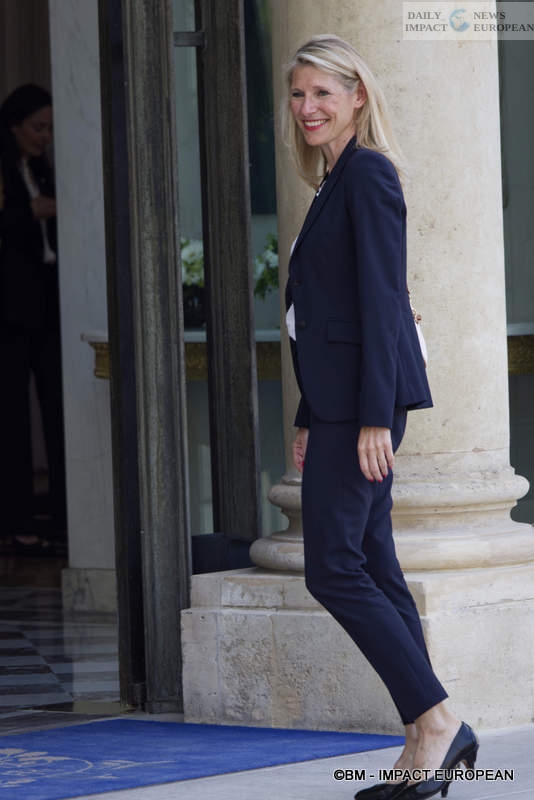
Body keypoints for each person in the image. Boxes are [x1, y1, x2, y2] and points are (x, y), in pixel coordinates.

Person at [284, 35, 477, 800]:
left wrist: (371, 418)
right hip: (337, 406)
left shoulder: (368, 175)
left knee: (333, 567)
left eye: (324, 93)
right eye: (298, 94)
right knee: (374, 563)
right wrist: (309, 412)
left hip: (362, 409)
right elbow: (324, 316)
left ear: (358, 96)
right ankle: (427, 734)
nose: (308, 108)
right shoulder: (335, 179)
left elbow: (382, 303)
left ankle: (434, 719)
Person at [0, 84, 67, 554]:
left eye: (48, 128)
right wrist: (31, 212)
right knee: (11, 417)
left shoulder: (41, 169)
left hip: (46, 304)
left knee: (57, 409)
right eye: (37, 127)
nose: (44, 137)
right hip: (8, 309)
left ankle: (63, 519)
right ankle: (18, 521)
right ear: (14, 126)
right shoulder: (7, 170)